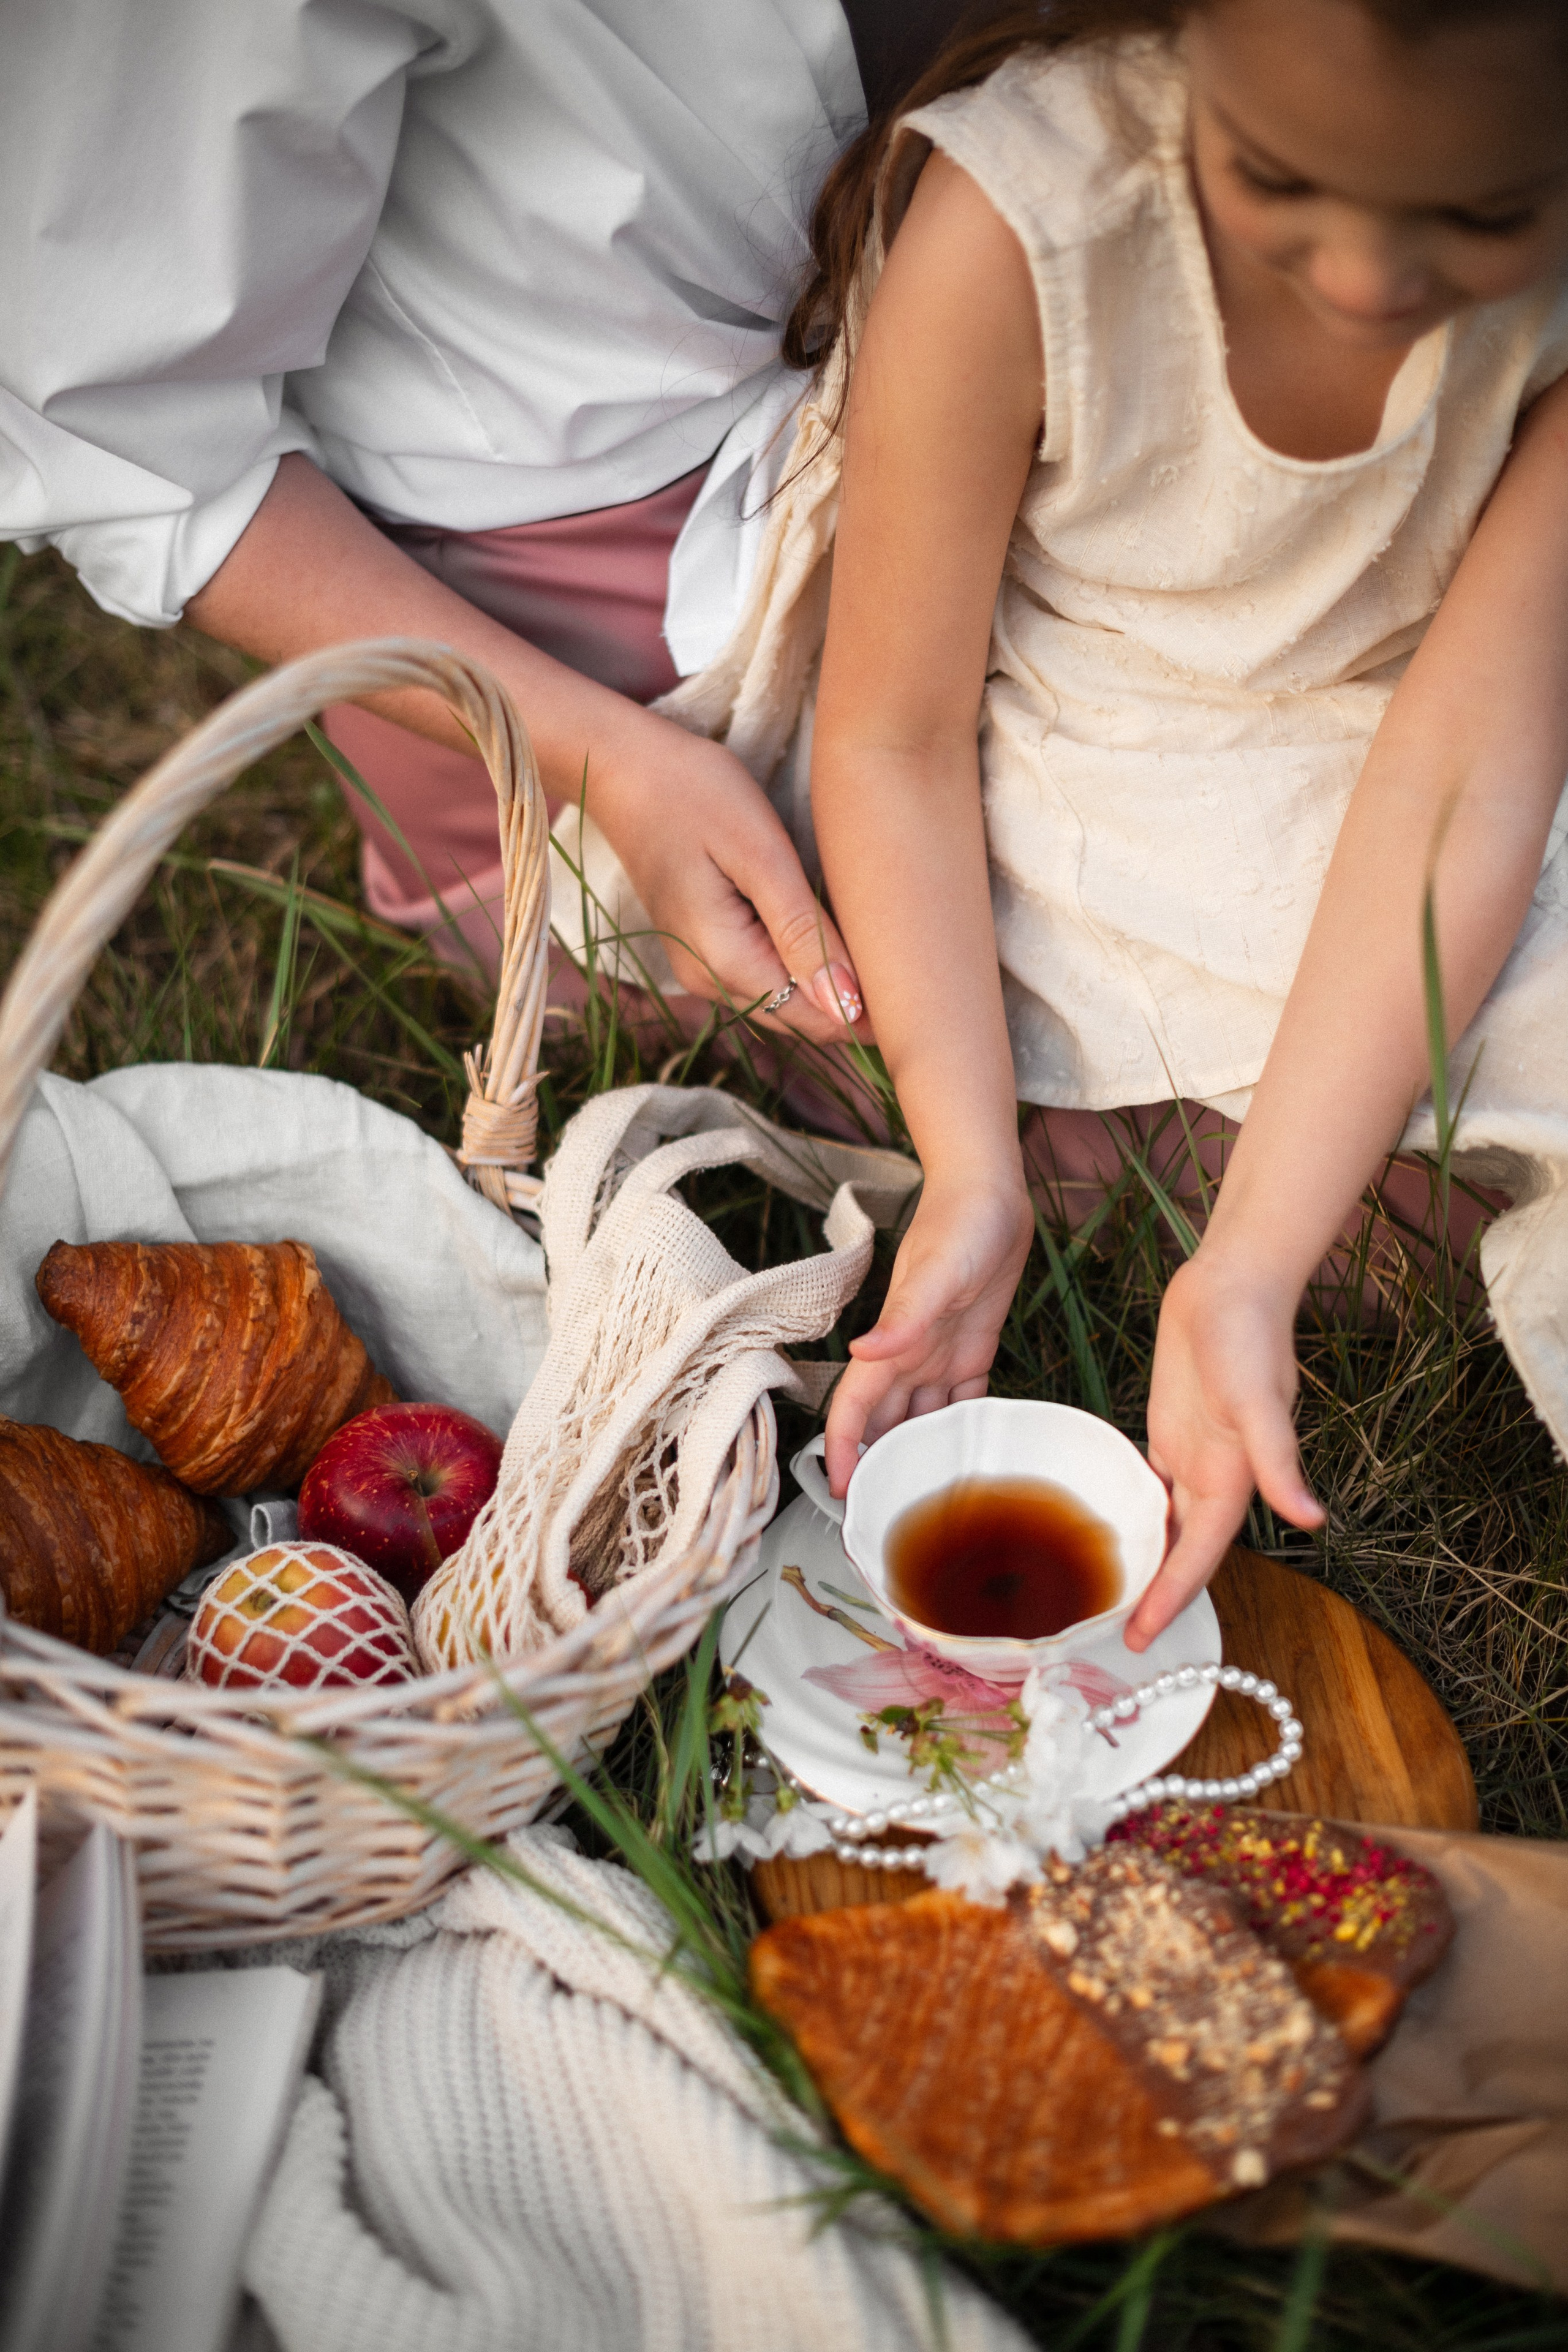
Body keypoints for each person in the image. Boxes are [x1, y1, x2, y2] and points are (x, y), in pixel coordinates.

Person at [742, 0, 1568, 1636]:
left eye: (1483, 218)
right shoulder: (1021, 222)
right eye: (1278, 182)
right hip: (1058, 736)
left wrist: (1246, 1264)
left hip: (1386, 755)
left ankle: (1233, 1195)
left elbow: (1459, 781)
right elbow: (897, 731)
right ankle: (1071, 1157)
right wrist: (967, 1162)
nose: (1363, 280)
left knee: (1443, 1084)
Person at [0, 0, 963, 1019]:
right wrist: (615, 770)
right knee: (1051, 1072)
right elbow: (130, 444)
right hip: (572, 666)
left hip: (963, 458)